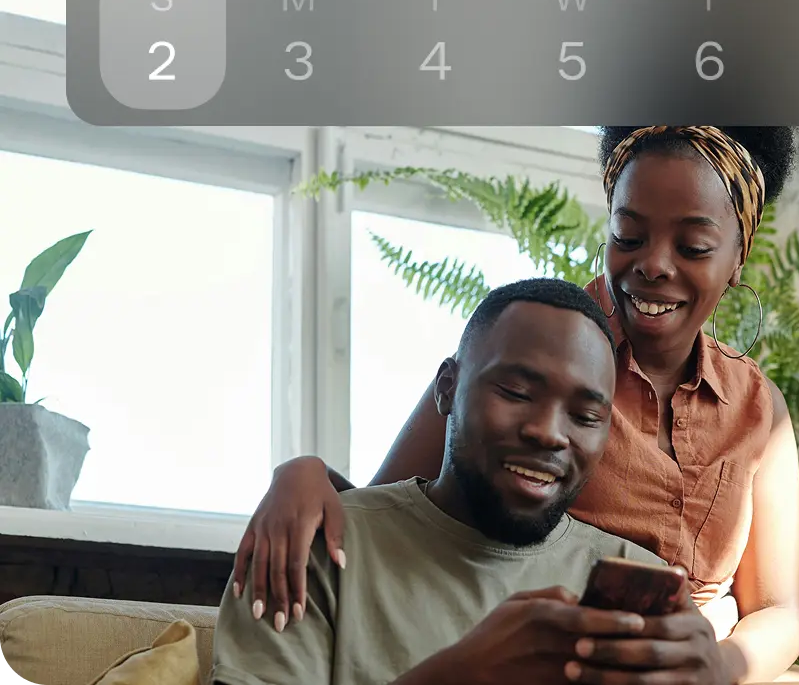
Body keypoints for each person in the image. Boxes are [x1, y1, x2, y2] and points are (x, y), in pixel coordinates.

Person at [233, 126, 799, 684]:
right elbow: (400, 526)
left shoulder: (759, 409)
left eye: (694, 246)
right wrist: (302, 474)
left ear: (737, 258)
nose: (653, 264)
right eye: (628, 236)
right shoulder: (535, 349)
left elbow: (779, 609)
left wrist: (714, 667)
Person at [214, 277, 717, 685]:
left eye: (586, 416)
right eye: (516, 392)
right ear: (448, 387)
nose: (548, 432)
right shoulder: (309, 548)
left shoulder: (639, 586)